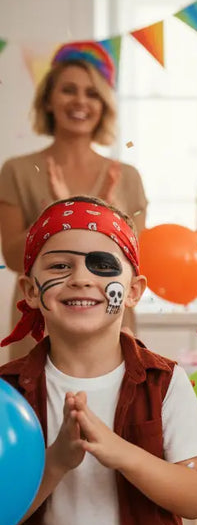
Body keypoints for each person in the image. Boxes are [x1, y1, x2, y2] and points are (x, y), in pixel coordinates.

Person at [0, 196, 197, 525]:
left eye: (101, 265)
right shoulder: (8, 395)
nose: (81, 279)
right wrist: (54, 465)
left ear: (134, 289)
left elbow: (196, 496)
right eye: (59, 265)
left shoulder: (164, 382)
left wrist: (121, 453)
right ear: (30, 290)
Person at [0, 42, 148, 360]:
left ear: (104, 105)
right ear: (49, 100)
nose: (80, 101)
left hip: (111, 320)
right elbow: (13, 258)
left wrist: (110, 225)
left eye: (92, 93)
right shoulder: (17, 170)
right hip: (39, 325)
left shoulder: (128, 177)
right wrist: (60, 213)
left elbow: (135, 264)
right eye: (69, 90)